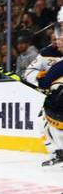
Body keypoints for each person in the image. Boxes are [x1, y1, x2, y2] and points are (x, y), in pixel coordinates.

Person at [24, 24, 63, 167]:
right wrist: (38, 79)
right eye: (54, 39)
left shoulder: (59, 65)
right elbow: (29, 74)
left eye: (59, 39)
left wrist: (44, 82)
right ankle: (58, 152)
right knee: (44, 122)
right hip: (56, 98)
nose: (56, 42)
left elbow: (45, 81)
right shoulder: (46, 53)